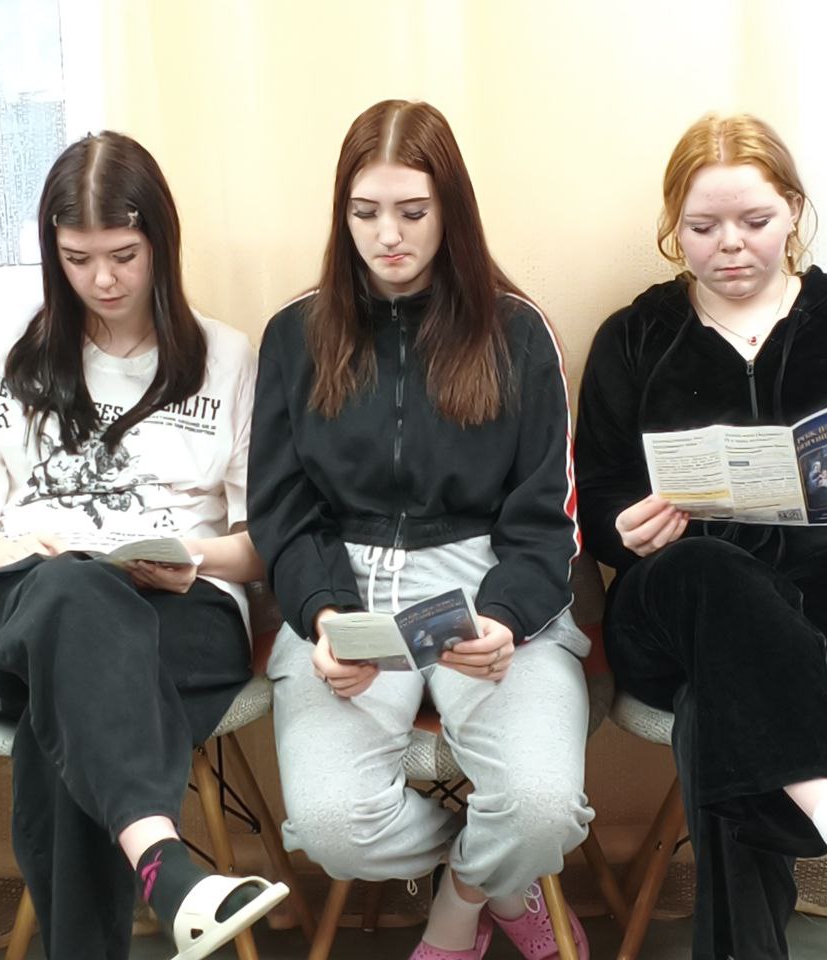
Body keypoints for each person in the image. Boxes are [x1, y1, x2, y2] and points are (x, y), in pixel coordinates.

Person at [574, 113, 827, 960]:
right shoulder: (634, 339)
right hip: (677, 610)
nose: (729, 246)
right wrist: (620, 527)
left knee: (718, 717)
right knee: (709, 567)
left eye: (754, 221)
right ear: (673, 225)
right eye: (702, 227)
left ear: (792, 208)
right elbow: (595, 494)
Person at [0, 131, 287, 960]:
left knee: (68, 703)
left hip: (180, 613)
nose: (103, 281)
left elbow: (256, 547)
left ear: (161, 241)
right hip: (15, 610)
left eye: (123, 256)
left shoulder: (226, 356)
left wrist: (192, 559)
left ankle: (160, 881)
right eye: (78, 259)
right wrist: (30, 557)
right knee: (73, 593)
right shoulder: (5, 353)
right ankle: (167, 865)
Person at [249, 99, 594, 960]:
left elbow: (548, 514)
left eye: (412, 212)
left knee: (545, 809)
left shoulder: (518, 332)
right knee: (332, 829)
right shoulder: (294, 335)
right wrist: (324, 617)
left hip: (486, 588)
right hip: (346, 592)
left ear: (452, 211)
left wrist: (507, 618)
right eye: (365, 213)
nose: (388, 236)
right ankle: (501, 881)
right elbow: (283, 510)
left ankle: (456, 911)